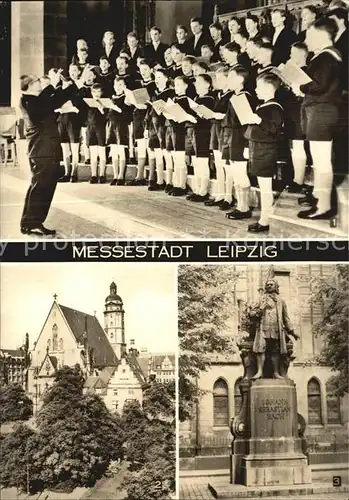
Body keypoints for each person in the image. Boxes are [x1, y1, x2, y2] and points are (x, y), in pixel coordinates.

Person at [296, 17, 343, 220]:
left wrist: (300, 86)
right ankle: (321, 202)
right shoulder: (331, 55)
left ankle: (323, 207)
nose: (307, 40)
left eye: (310, 35)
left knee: (322, 161)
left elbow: (319, 85)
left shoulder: (325, 57)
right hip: (323, 111)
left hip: (322, 112)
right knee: (321, 160)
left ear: (322, 35)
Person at [19, 70, 74, 235]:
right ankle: (32, 223)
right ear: (29, 86)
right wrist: (54, 86)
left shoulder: (32, 100)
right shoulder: (30, 102)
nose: (40, 83)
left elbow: (51, 101)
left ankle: (30, 222)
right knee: (42, 188)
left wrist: (58, 87)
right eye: (37, 81)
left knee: (39, 187)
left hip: (42, 151)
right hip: (42, 151)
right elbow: (50, 103)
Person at [244, 72, 284, 233]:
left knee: (266, 188)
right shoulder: (262, 106)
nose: (255, 90)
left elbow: (274, 129)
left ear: (268, 88)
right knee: (262, 187)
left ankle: (265, 220)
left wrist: (258, 120)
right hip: (257, 150)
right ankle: (264, 218)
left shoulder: (274, 107)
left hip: (266, 152)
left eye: (258, 86)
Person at [221, 65, 255, 217]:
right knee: (235, 173)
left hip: (240, 140)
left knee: (241, 173)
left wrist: (247, 145)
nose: (228, 80)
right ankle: (240, 205)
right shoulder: (234, 96)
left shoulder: (244, 96)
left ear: (240, 79)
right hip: (231, 138)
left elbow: (247, 123)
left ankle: (244, 207)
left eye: (231, 77)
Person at [249, 278, 299, 380]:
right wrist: (261, 309)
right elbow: (251, 314)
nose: (269, 286)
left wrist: (293, 332)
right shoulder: (260, 300)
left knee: (275, 351)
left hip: (276, 330)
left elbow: (286, 318)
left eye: (271, 284)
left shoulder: (281, 302)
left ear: (276, 287)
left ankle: (276, 373)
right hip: (263, 329)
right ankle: (260, 371)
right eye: (267, 285)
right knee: (260, 350)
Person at [205, 67, 233, 208]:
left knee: (227, 166)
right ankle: (220, 194)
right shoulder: (219, 95)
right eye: (217, 79)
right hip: (215, 130)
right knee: (218, 165)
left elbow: (230, 116)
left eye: (221, 78)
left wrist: (217, 115)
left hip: (225, 132)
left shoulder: (231, 96)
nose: (218, 81)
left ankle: (228, 197)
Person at [127, 58, 156, 186]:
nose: (143, 72)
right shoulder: (137, 84)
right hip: (138, 117)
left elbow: (151, 104)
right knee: (140, 147)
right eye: (141, 70)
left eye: (146, 69)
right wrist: (129, 100)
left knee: (150, 148)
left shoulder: (154, 85)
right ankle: (139, 176)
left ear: (151, 70)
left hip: (149, 118)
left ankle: (152, 177)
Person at [186, 74, 215, 203]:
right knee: (196, 162)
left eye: (199, 83)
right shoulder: (197, 98)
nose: (196, 85)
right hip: (194, 132)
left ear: (208, 84)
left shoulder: (210, 99)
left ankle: (203, 191)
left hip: (203, 132)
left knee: (202, 162)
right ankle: (197, 189)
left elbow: (208, 116)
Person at [145, 68, 175, 191]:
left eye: (159, 77)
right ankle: (159, 180)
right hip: (154, 127)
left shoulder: (171, 93)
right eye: (155, 78)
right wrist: (146, 127)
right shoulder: (154, 94)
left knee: (166, 155)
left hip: (165, 127)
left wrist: (163, 111)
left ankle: (169, 182)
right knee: (157, 155)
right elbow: (149, 112)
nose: (157, 80)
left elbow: (173, 111)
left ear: (166, 78)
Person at [166, 76, 196, 197]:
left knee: (180, 160)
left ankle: (182, 185)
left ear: (185, 86)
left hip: (181, 132)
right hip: (173, 130)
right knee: (175, 159)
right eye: (175, 85)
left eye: (179, 85)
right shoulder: (175, 99)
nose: (176, 88)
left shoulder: (186, 100)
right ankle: (176, 183)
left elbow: (185, 116)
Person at [107, 76, 133, 186]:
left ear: (125, 86)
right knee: (114, 152)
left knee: (121, 152)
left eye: (120, 85)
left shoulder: (126, 98)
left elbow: (127, 113)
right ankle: (115, 175)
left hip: (122, 126)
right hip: (112, 126)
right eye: (116, 85)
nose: (118, 87)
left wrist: (118, 109)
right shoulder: (112, 97)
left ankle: (121, 176)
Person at [86, 83, 108, 184]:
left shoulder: (105, 103)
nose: (96, 94)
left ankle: (102, 174)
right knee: (93, 153)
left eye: (98, 91)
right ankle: (94, 175)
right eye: (94, 92)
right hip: (91, 129)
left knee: (102, 153)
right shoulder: (89, 103)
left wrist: (101, 109)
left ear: (102, 92)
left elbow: (107, 117)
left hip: (101, 129)